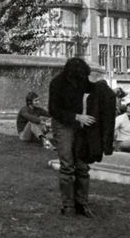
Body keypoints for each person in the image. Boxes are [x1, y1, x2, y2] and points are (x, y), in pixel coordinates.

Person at [48, 58, 115, 218]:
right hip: (63, 124)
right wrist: (77, 117)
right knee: (67, 165)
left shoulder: (81, 79)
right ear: (73, 74)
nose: (83, 80)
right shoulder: (57, 83)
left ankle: (82, 204)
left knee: (82, 166)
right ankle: (68, 205)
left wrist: (104, 86)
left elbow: (94, 89)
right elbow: (53, 110)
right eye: (81, 76)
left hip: (79, 126)